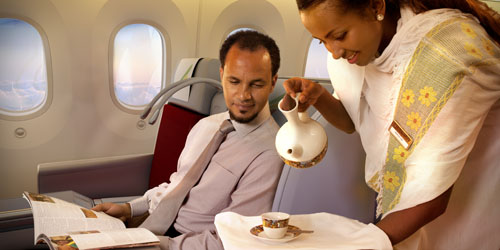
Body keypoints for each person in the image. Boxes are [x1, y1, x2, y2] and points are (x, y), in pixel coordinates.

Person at [285, 0, 500, 249]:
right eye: (321, 41)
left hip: (468, 207)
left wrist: (357, 243)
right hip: (405, 208)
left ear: (376, 7)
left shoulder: (445, 51)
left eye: (340, 36)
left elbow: (431, 198)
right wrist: (319, 95)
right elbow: (352, 121)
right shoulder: (357, 54)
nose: (333, 52)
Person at [92, 30, 284, 250]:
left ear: (272, 83)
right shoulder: (208, 125)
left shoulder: (269, 155)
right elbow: (178, 185)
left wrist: (157, 245)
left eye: (256, 84)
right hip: (152, 226)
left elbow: (232, 239)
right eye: (234, 81)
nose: (243, 95)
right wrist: (129, 209)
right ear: (222, 76)